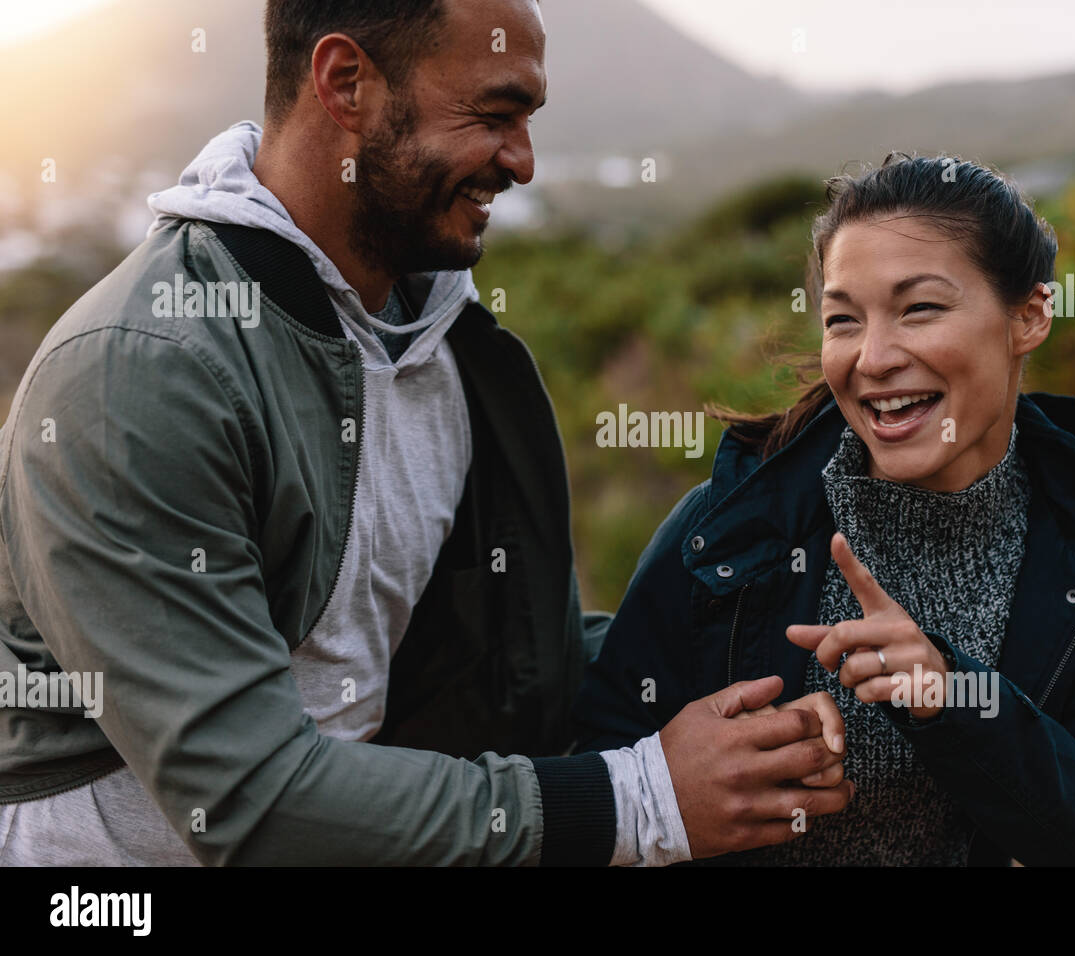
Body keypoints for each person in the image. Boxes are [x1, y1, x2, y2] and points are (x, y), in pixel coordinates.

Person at [0, 0, 852, 866]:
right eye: (493, 115)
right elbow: (247, 804)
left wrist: (798, 679)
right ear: (346, 84)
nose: (521, 161)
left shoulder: (448, 348)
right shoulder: (143, 373)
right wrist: (641, 799)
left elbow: (525, 671)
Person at [574, 153, 1075, 866]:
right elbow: (607, 759)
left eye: (919, 308)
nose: (873, 357)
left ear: (1028, 316)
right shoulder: (731, 526)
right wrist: (699, 774)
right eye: (843, 320)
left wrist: (954, 700)